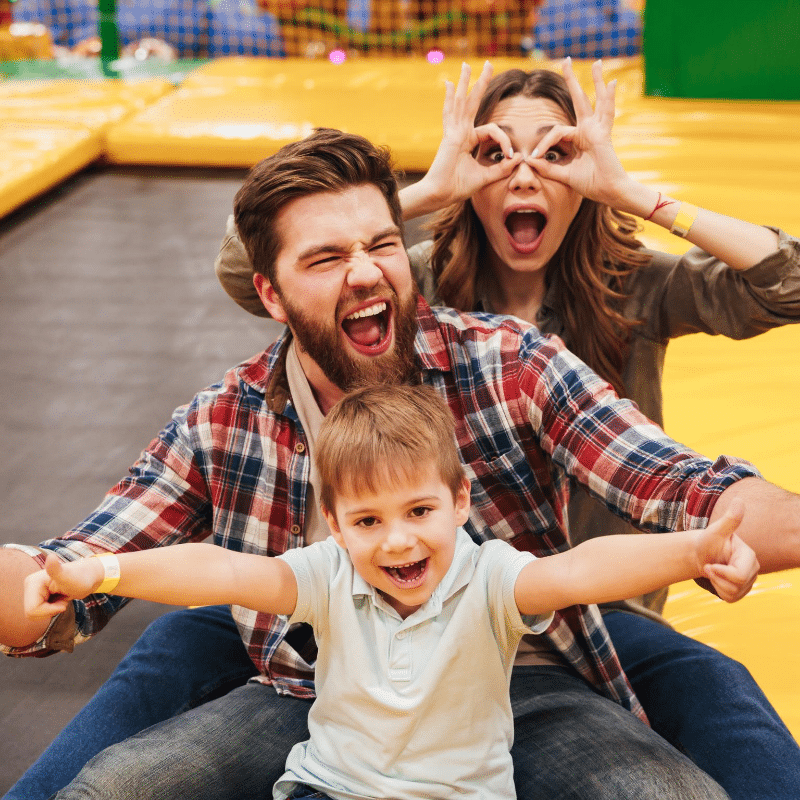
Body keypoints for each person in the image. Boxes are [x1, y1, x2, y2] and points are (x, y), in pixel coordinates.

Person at [2, 126, 798, 800]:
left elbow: (670, 482)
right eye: (324, 259)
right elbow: (95, 563)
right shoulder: (224, 419)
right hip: (316, 687)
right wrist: (41, 579)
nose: (363, 272)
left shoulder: (506, 362)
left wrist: (716, 536)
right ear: (271, 295)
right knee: (120, 779)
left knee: (670, 782)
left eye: (381, 244)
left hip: (523, 675)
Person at [213, 59, 800, 794]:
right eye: (496, 155)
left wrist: (633, 193)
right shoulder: (411, 281)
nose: (524, 176)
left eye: (555, 154)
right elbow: (250, 271)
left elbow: (790, 283)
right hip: (414, 595)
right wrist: (426, 190)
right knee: (179, 653)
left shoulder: (631, 284)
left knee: (720, 693)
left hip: (585, 602)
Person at [25, 384, 756, 800]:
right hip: (331, 791)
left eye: (418, 513)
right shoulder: (327, 575)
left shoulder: (491, 577)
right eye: (368, 521)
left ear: (460, 501)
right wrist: (104, 572)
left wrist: (690, 549)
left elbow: (583, 570)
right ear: (336, 527)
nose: (399, 541)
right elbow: (219, 571)